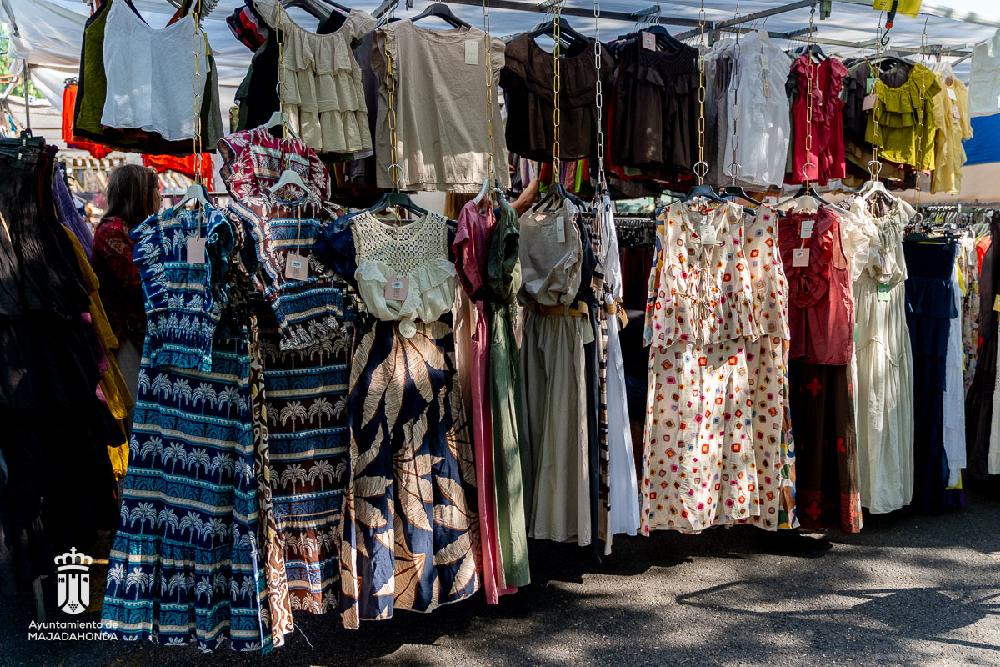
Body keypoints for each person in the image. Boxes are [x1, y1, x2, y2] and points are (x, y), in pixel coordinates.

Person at [92, 164, 161, 404]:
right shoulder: (112, 231)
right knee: (136, 403)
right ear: (139, 194)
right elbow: (139, 282)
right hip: (125, 337)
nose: (159, 196)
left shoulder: (139, 229)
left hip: (142, 332)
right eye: (155, 189)